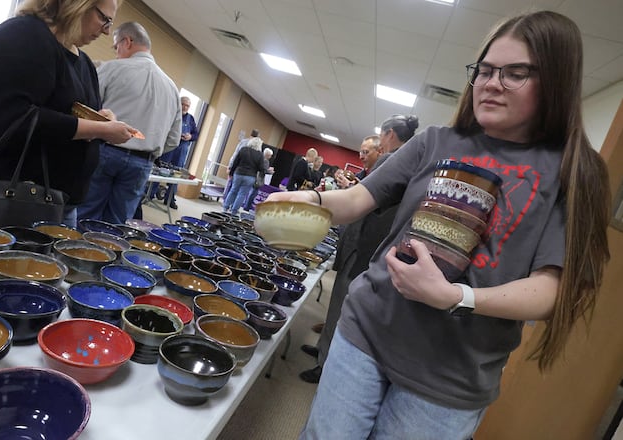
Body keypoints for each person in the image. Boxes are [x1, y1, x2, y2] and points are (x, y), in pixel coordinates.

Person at [267, 11, 610, 438]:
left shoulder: (573, 171)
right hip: (368, 331)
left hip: (450, 377)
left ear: (556, 79)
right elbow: (359, 197)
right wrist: (312, 199)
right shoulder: (435, 141)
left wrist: (455, 296)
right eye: (484, 70)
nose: (491, 83)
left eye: (515, 73)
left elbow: (550, 289)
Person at [0, 0, 136, 228]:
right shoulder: (22, 35)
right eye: (104, 18)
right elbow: (18, 119)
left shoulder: (83, 62)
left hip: (57, 201)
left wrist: (100, 119)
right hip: (4, 197)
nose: (107, 30)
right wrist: (101, 129)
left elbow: (67, 114)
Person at [299, 116, 419, 384]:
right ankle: (323, 349)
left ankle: (325, 363)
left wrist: (321, 198)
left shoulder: (395, 162)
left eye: (367, 150)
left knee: (343, 302)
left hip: (365, 246)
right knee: (339, 301)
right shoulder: (407, 164)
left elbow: (363, 203)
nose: (363, 155)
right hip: (368, 245)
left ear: (387, 135)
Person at [77, 21, 181, 225]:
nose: (116, 53)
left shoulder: (112, 69)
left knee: (86, 213)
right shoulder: (172, 88)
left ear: (127, 41)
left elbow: (86, 111)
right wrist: (147, 149)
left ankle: (76, 255)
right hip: (142, 163)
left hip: (105, 152)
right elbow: (173, 139)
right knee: (118, 223)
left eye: (116, 47)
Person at [151, 96, 199, 209]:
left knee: (177, 175)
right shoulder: (172, 114)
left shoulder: (190, 119)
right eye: (183, 104)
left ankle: (170, 199)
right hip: (169, 148)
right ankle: (150, 194)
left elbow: (196, 134)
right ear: (179, 103)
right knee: (159, 171)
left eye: (187, 105)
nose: (185, 107)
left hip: (181, 150)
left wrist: (190, 136)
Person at [223, 137, 265, 215]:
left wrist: (231, 173)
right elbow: (261, 168)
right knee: (242, 194)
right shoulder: (260, 155)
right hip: (250, 176)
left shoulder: (243, 149)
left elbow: (236, 162)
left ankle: (225, 207)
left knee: (233, 190)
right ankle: (234, 211)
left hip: (238, 173)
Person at [243, 147, 274, 211]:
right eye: (270, 155)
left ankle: (246, 205)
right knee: (253, 193)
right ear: (268, 155)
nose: (270, 157)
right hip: (259, 179)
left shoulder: (259, 158)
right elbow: (264, 170)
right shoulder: (266, 161)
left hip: (253, 176)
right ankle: (247, 207)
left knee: (251, 192)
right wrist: (270, 171)